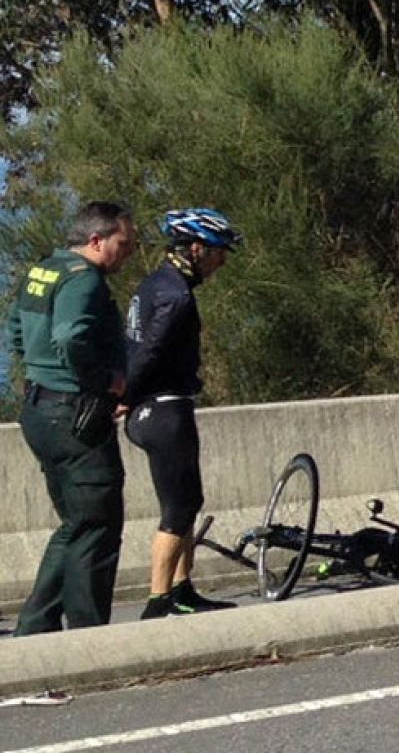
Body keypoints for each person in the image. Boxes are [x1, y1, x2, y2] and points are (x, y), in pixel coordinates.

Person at [6, 201, 138, 635]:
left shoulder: (43, 270)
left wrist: (38, 372)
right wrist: (104, 381)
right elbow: (69, 336)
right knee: (97, 524)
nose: (128, 252)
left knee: (78, 523)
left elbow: (16, 330)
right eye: (124, 243)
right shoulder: (85, 280)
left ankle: (36, 628)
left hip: (40, 411)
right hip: (75, 413)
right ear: (97, 240)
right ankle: (87, 631)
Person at [124, 208, 242, 619]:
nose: (221, 261)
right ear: (195, 249)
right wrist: (126, 394)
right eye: (218, 252)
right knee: (177, 508)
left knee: (187, 502)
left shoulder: (153, 284)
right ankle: (158, 601)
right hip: (164, 409)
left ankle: (182, 589)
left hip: (155, 409)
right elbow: (149, 351)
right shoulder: (177, 296)